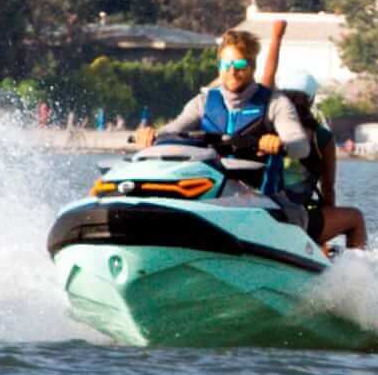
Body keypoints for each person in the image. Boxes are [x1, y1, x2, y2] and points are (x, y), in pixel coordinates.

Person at [142, 25, 363, 249]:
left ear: (252, 67)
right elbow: (173, 130)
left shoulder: (275, 103)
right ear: (218, 66)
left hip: (266, 203)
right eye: (226, 65)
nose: (232, 71)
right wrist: (152, 135)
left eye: (239, 65)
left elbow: (300, 145)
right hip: (211, 194)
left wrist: (281, 142)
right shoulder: (202, 103)